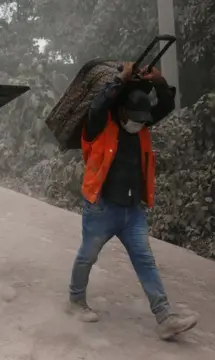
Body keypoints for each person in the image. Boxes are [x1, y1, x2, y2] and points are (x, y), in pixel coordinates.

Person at [67, 63, 199, 340]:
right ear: (122, 110)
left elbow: (164, 105)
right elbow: (98, 105)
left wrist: (160, 82)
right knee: (87, 256)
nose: (139, 124)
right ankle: (75, 301)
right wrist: (119, 80)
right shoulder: (98, 125)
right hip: (101, 207)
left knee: (145, 261)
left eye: (143, 120)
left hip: (133, 211)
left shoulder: (140, 124)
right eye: (134, 118)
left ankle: (165, 317)